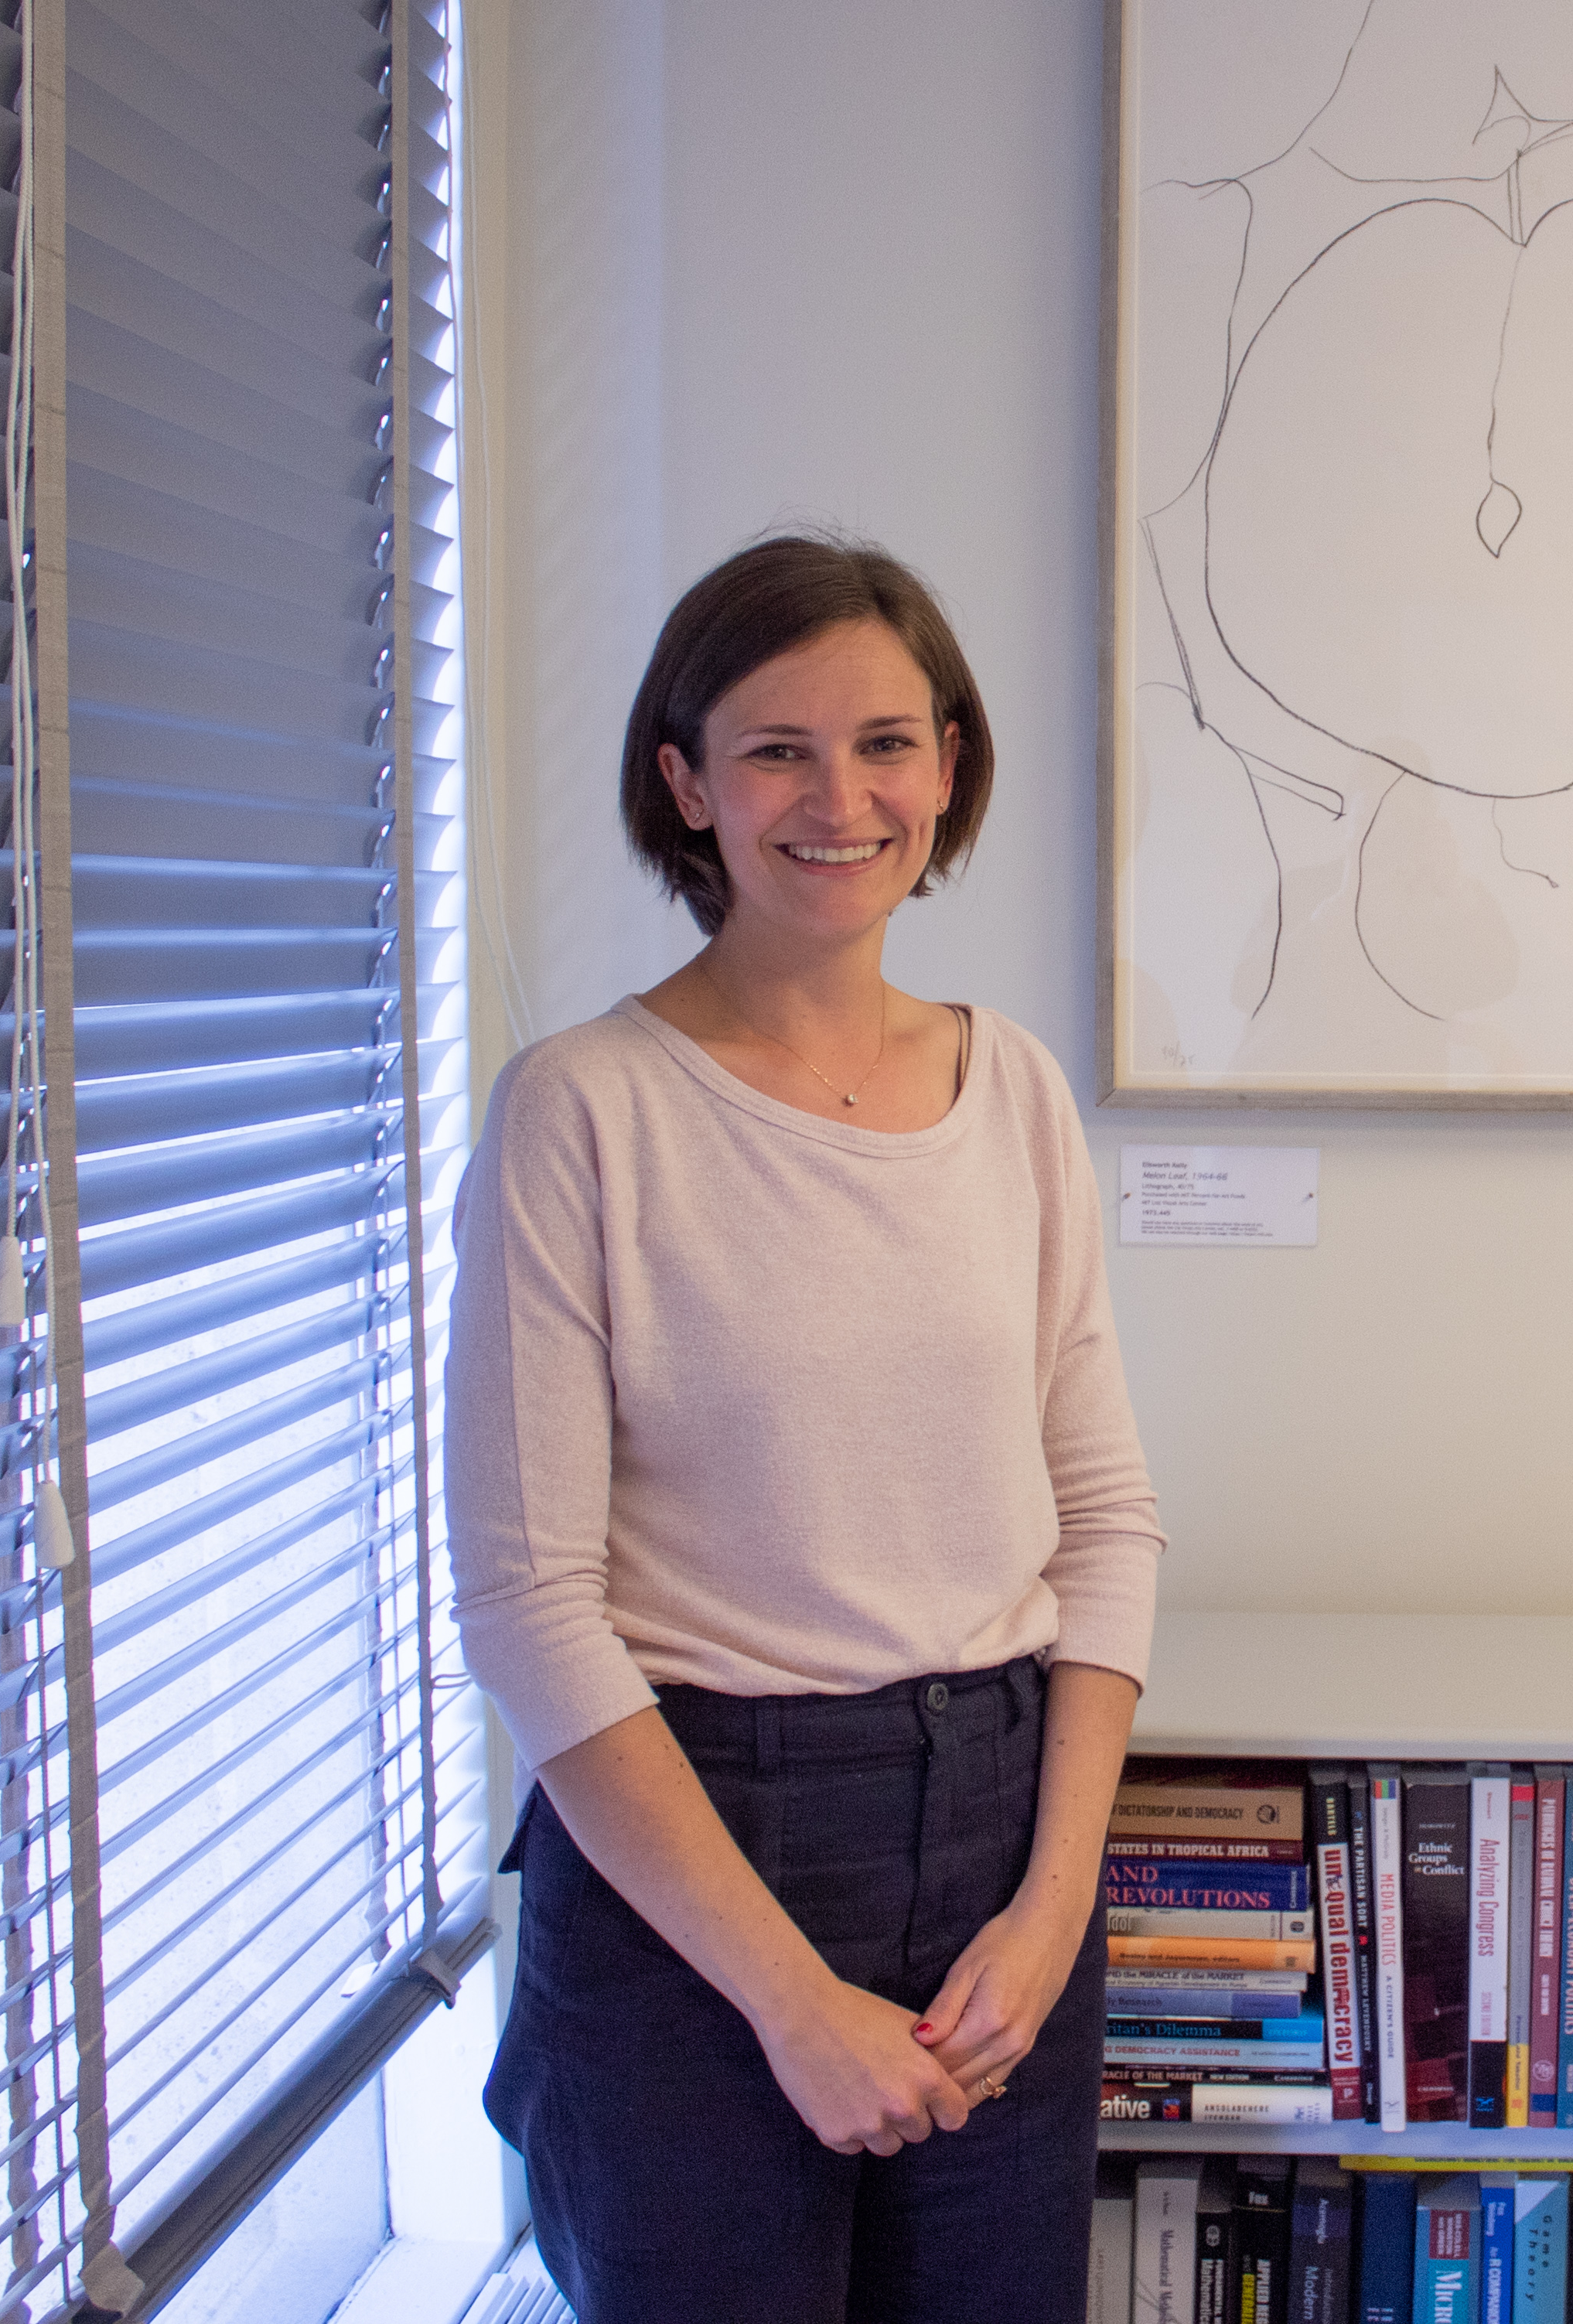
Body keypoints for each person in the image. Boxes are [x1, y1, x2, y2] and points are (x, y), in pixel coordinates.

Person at [445, 534, 1163, 2321]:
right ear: (684, 782)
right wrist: (785, 1998)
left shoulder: (1014, 1091)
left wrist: (1056, 1897)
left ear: (949, 767)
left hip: (1002, 1842)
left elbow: (1107, 1520)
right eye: (775, 748)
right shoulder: (583, 1114)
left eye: (889, 743)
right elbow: (530, 1605)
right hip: (701, 1861)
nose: (840, 798)